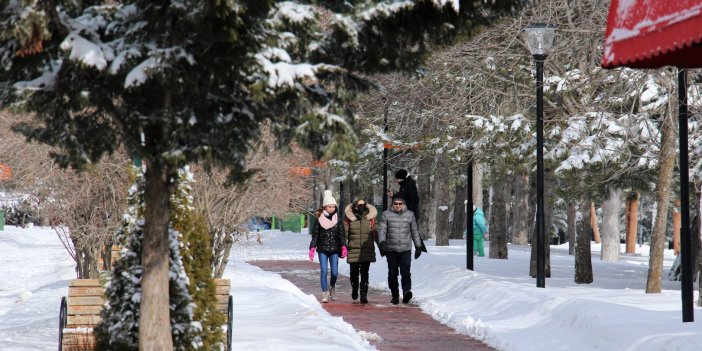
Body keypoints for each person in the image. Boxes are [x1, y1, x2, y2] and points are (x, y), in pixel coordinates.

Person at [377, 195, 426, 305]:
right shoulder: (386, 214)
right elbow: (382, 231)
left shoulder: (410, 215)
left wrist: (418, 246)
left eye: (400, 204)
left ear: (403, 204)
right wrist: (382, 242)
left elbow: (414, 231)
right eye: (395, 204)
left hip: (405, 249)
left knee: (405, 272)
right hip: (391, 249)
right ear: (392, 204)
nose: (398, 206)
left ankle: (406, 291)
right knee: (393, 273)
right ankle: (395, 295)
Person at [309, 190, 347, 303]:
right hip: (322, 249)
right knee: (324, 271)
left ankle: (332, 287)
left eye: (333, 206)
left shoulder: (338, 219)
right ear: (325, 207)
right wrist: (312, 248)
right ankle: (325, 293)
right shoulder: (319, 219)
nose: (332, 208)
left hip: (335, 249)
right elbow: (315, 235)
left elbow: (341, 235)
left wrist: (344, 246)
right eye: (329, 206)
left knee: (334, 272)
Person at [343, 199, 378, 304]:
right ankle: (354, 288)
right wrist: (343, 247)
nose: (361, 206)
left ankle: (364, 294)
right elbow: (344, 234)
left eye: (363, 204)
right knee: (353, 273)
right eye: (359, 205)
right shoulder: (348, 218)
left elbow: (376, 233)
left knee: (364, 273)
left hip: (367, 249)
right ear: (355, 206)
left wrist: (382, 246)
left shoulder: (371, 218)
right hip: (353, 249)